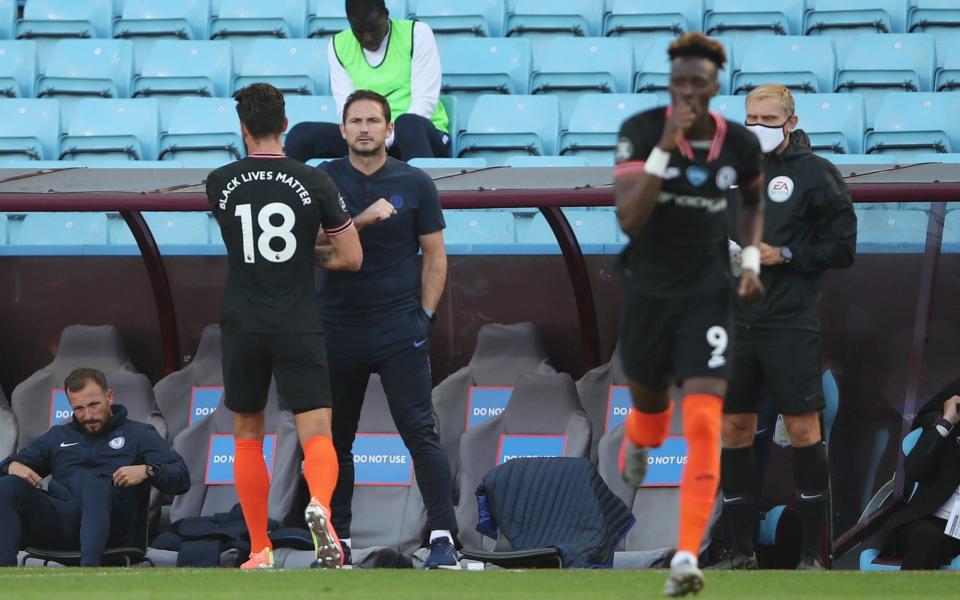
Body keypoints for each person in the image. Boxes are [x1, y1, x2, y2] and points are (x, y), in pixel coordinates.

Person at [613, 33, 765, 597]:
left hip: (707, 292)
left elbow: (752, 201)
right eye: (679, 83)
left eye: (698, 84)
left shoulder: (741, 144)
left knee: (704, 422)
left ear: (714, 85)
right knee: (652, 410)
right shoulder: (642, 130)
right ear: (670, 82)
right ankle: (638, 435)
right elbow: (629, 220)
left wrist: (748, 258)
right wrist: (665, 148)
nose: (688, 94)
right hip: (648, 291)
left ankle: (685, 557)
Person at [206, 83, 363, 570]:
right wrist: (308, 254)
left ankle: (259, 549)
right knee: (317, 431)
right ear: (287, 125)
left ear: (243, 128)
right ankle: (321, 506)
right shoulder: (314, 181)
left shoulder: (218, 182)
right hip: (297, 320)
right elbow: (352, 257)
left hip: (243, 323)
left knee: (248, 435)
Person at [314, 89, 458, 569]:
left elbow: (435, 255)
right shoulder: (322, 179)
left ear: (388, 129)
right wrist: (363, 220)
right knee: (337, 438)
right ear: (343, 129)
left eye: (373, 120)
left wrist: (426, 317)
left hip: (400, 327)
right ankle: (339, 540)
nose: (364, 129)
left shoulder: (415, 182)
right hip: (338, 327)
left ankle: (442, 537)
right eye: (355, 121)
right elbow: (312, 247)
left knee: (420, 431)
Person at [716, 84, 856, 571]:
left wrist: (786, 254)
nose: (758, 127)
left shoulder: (817, 174)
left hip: (791, 322)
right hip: (736, 321)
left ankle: (809, 559)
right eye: (751, 117)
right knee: (732, 428)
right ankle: (740, 552)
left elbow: (842, 247)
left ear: (791, 123)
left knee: (801, 429)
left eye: (769, 119)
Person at [0, 368, 189, 567]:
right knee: (8, 485)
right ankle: (5, 573)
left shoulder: (139, 434)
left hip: (115, 531)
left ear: (109, 396)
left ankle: (90, 572)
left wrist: (148, 470)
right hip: (63, 526)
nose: (88, 415)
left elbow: (181, 478)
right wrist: (11, 466)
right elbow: (6, 466)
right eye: (79, 409)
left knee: (94, 483)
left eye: (94, 404)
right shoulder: (58, 437)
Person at [286, 0, 450, 163]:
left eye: (373, 29)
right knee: (300, 135)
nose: (367, 38)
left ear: (385, 15)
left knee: (408, 123)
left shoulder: (416, 33)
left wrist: (383, 139)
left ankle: (422, 188)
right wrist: (368, 139)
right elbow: (346, 107)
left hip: (418, 138)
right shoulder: (338, 45)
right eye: (359, 31)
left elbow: (424, 103)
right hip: (368, 139)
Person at [879, 383, 960, 569]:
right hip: (927, 519)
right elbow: (914, 469)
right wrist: (945, 423)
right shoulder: (949, 430)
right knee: (927, 537)